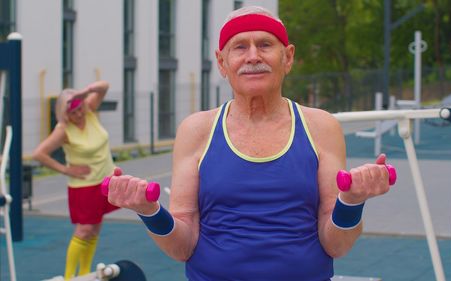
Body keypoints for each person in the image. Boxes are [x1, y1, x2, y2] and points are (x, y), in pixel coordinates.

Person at [106, 6, 391, 280]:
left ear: (287, 57)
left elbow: (337, 245)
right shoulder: (197, 130)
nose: (253, 56)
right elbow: (182, 247)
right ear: (222, 62)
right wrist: (149, 211)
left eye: (265, 44)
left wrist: (352, 201)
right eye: (240, 47)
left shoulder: (320, 126)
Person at [33, 80, 120, 279]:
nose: (79, 114)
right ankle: (69, 276)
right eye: (73, 112)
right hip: (84, 186)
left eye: (79, 109)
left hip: (104, 180)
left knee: (96, 228)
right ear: (64, 114)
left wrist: (84, 93)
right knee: (84, 229)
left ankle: (84, 273)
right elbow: (39, 154)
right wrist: (67, 170)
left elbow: (105, 86)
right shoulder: (63, 130)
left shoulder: (89, 109)